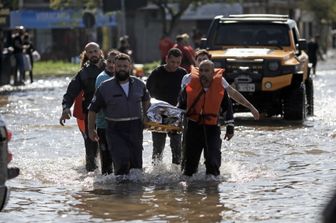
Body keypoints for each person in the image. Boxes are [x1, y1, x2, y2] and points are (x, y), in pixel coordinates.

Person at [87, 53, 150, 177]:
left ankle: (137, 194)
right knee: (121, 163)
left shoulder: (139, 84)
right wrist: (91, 129)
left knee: (136, 167)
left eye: (125, 66)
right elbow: (92, 110)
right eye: (119, 66)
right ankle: (120, 193)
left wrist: (146, 117)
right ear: (114, 67)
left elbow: (146, 99)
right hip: (115, 129)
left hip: (135, 127)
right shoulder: (105, 87)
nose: (122, 68)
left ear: (130, 67)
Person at [177, 60, 234, 177]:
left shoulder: (219, 86)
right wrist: (176, 122)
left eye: (207, 71)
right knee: (190, 165)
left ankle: (212, 189)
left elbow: (227, 108)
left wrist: (230, 128)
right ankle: (189, 192)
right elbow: (181, 106)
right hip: (193, 127)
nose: (203, 73)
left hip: (212, 128)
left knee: (213, 160)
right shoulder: (190, 85)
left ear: (213, 73)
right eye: (201, 70)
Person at [59, 42, 105, 172]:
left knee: (110, 146)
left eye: (95, 51)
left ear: (100, 52)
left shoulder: (111, 67)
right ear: (86, 54)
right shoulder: (83, 73)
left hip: (110, 114)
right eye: (90, 52)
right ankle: (90, 180)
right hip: (90, 115)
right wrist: (66, 108)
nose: (93, 54)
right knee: (91, 149)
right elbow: (70, 92)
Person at [181, 49, 260, 120]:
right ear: (195, 62)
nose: (202, 62)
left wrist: (250, 107)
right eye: (199, 60)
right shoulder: (187, 78)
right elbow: (181, 100)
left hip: (211, 120)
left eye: (204, 59)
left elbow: (232, 93)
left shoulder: (218, 79)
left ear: (210, 62)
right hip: (192, 119)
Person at [146, 48, 187, 165]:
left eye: (178, 63)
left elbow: (187, 93)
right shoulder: (156, 73)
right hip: (159, 113)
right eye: (172, 62)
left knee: (177, 146)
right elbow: (147, 94)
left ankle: (176, 171)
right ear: (166, 59)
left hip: (175, 114)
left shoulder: (182, 73)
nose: (175, 65)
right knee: (158, 146)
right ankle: (156, 170)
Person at [94, 49, 119, 175]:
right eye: (109, 61)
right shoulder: (102, 78)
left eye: (114, 62)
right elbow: (100, 104)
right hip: (104, 125)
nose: (111, 65)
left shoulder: (122, 77)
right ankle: (106, 190)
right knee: (107, 161)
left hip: (118, 125)